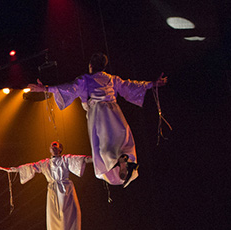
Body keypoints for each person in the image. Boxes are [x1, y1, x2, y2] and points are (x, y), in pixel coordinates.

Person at [29, 53, 167, 187]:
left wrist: (46, 88)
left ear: (90, 66)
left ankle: (117, 161)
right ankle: (124, 157)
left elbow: (70, 88)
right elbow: (130, 85)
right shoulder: (112, 79)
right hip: (115, 112)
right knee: (123, 140)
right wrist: (153, 83)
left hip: (98, 114)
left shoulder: (85, 79)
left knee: (103, 148)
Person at [0, 142, 92, 230]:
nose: (53, 147)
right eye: (52, 145)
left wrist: (98, 159)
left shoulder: (65, 160)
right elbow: (30, 167)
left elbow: (82, 160)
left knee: (70, 215)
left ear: (60, 149)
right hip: (53, 191)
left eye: (56, 145)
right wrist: (12, 170)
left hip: (66, 189)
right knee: (56, 218)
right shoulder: (45, 163)